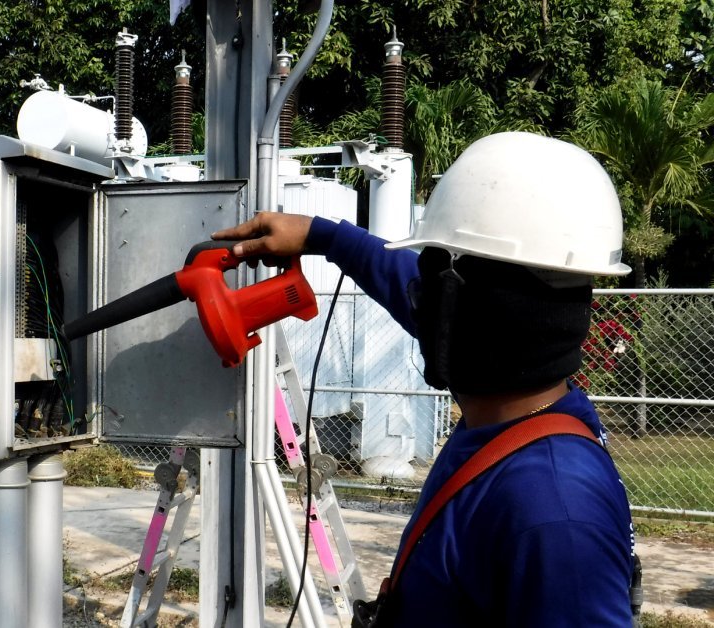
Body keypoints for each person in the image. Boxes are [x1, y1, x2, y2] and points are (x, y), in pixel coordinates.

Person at [214, 132, 637, 627]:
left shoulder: (551, 508)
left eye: (431, 280)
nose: (416, 297)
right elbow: (409, 285)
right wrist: (321, 235)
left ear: (464, 306)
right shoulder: (516, 394)